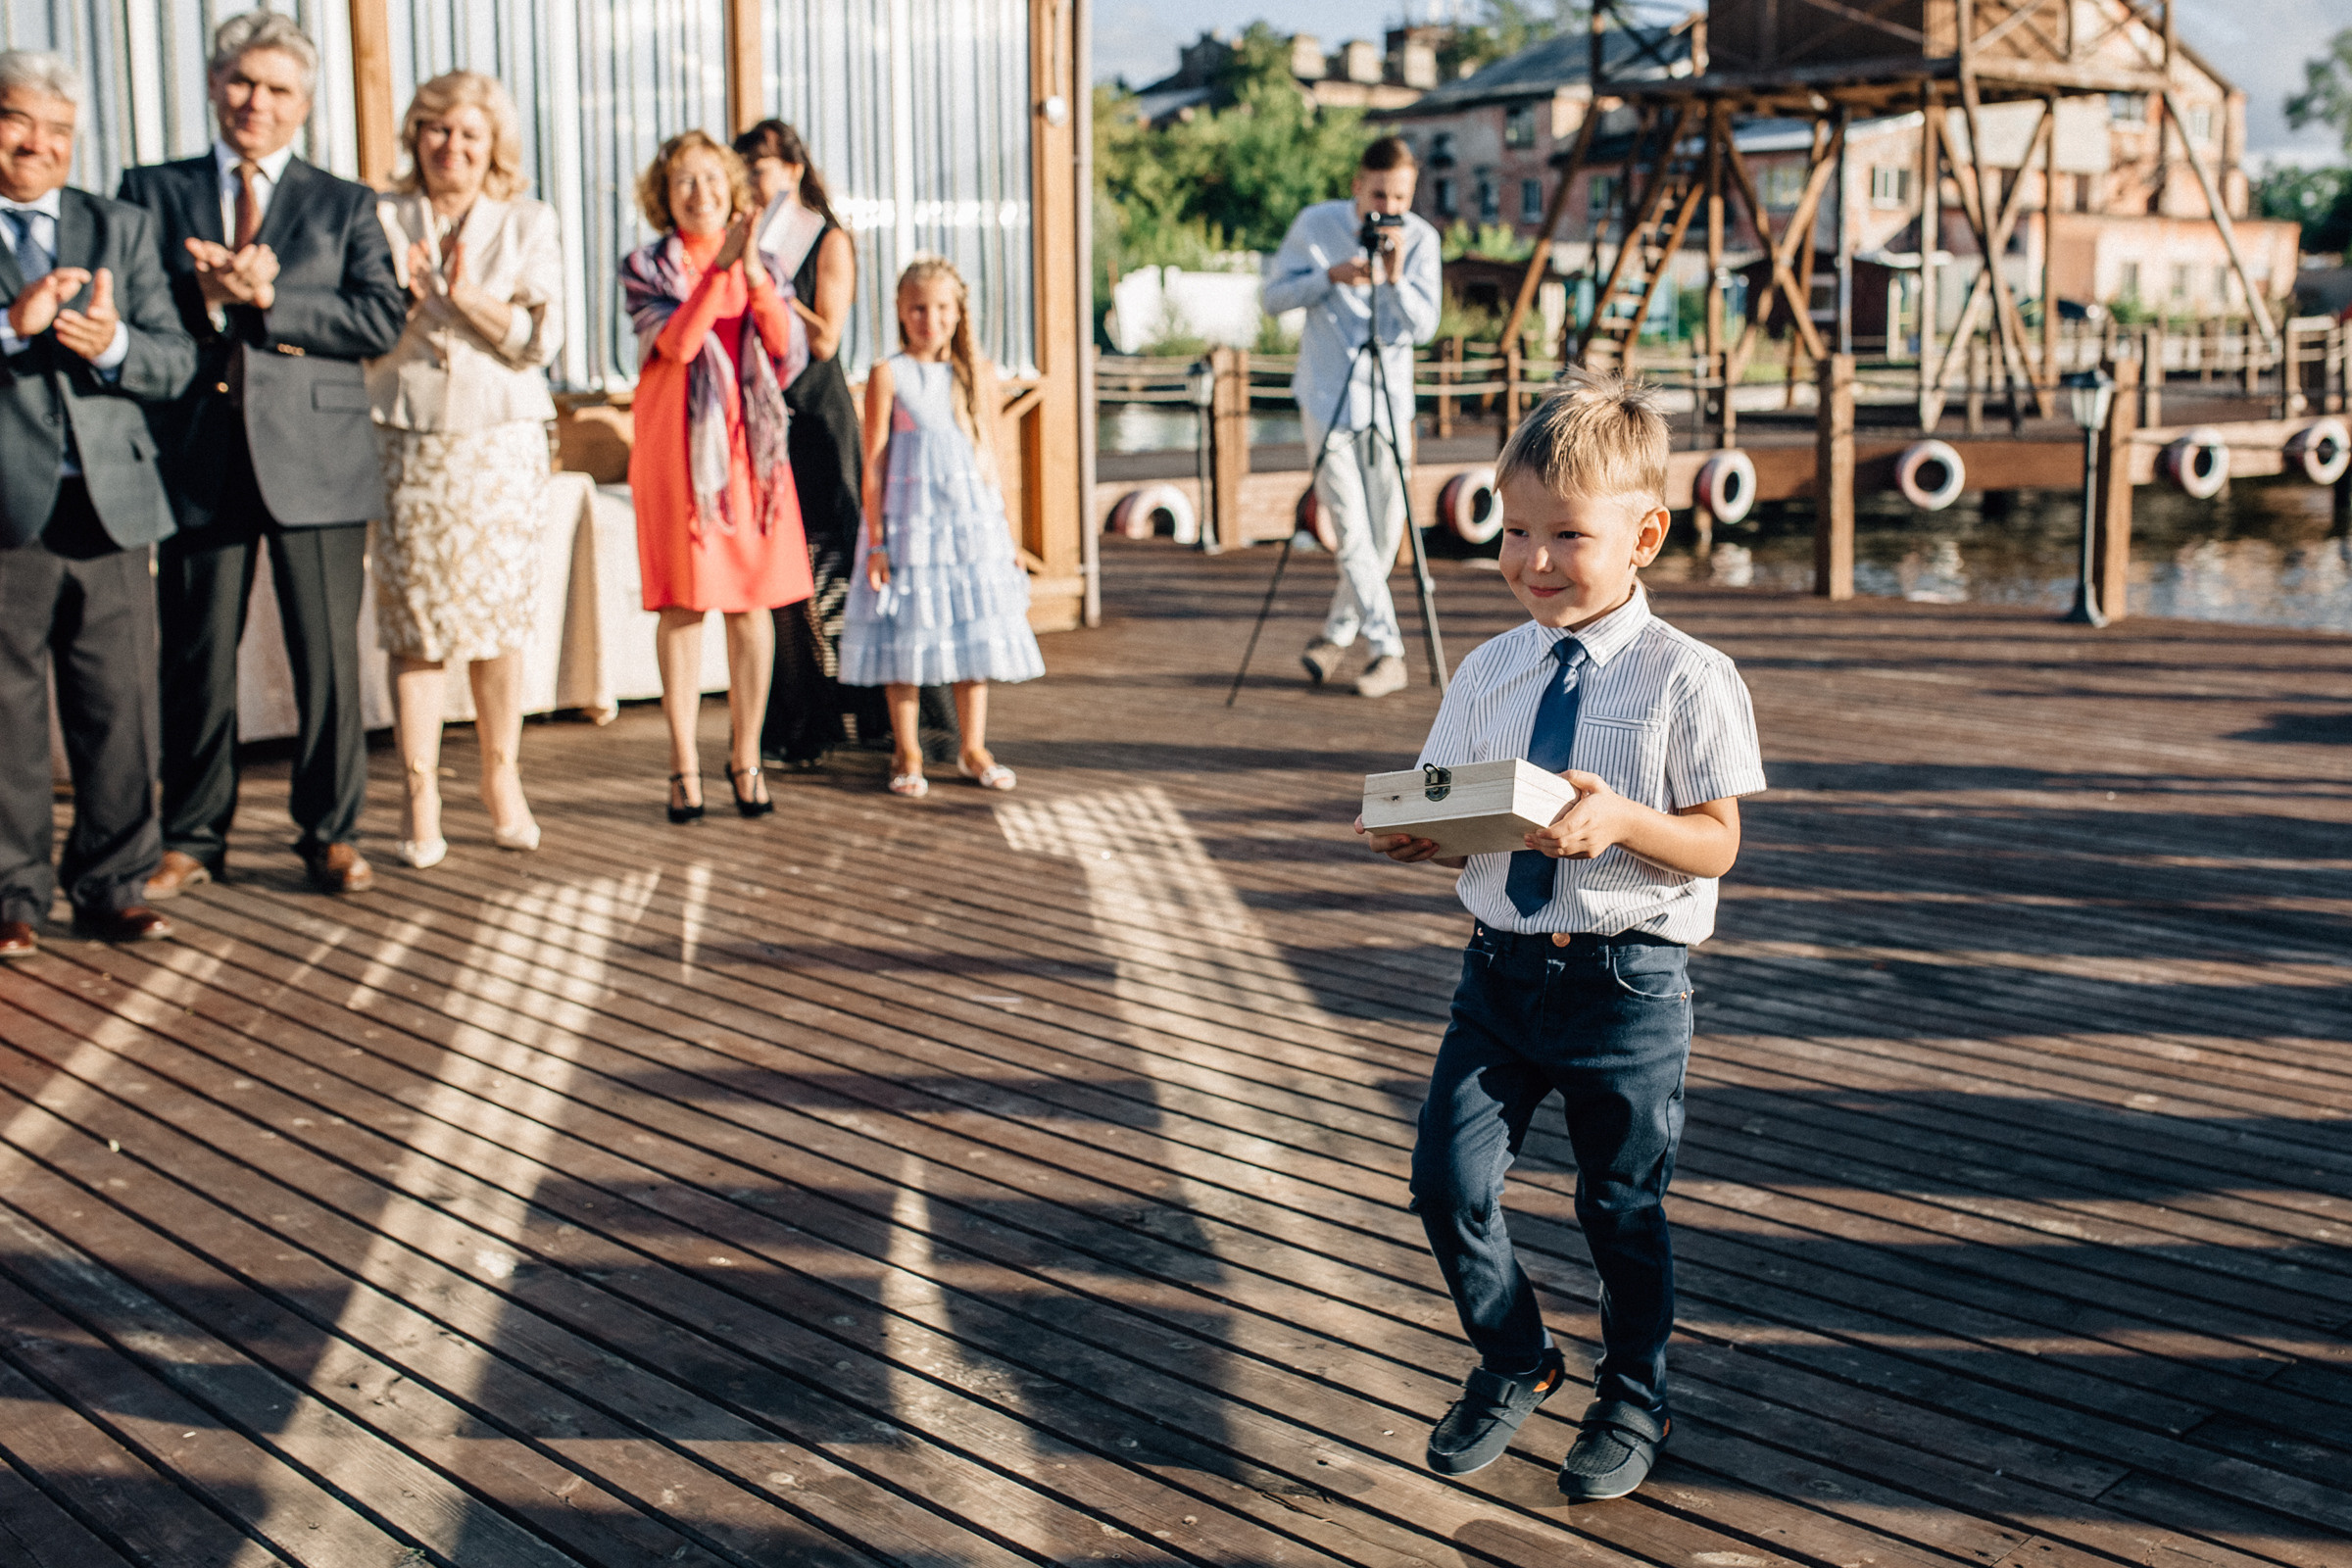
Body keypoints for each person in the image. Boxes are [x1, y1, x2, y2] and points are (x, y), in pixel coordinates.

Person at [1357, 372, 1766, 1503]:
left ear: (1645, 535)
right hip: (1495, 973)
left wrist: (1623, 819)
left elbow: (1718, 843)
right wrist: (1421, 840)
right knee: (1446, 1182)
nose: (1534, 559)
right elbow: (1464, 806)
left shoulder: (1690, 676)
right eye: (1516, 530)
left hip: (1627, 982)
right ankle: (1514, 1357)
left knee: (1618, 1203)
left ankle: (1635, 1391)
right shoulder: (1489, 669)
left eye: (1567, 535)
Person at [120, 10, 407, 898]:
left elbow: (378, 318)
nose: (257, 102)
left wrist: (271, 301)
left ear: (306, 105)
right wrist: (205, 299)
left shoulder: (345, 201)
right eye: (242, 82)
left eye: (279, 89)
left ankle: (331, 833)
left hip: (316, 459)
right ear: (214, 86)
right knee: (197, 659)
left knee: (328, 660)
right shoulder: (150, 189)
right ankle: (193, 838)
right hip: (197, 453)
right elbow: (129, 313)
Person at [0, 49, 195, 958]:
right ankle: (12, 896)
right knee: (6, 710)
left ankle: (113, 884)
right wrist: (14, 326)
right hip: (8, 513)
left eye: (59, 130)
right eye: (17, 120)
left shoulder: (118, 226)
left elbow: (176, 361)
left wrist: (114, 343)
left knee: (120, 707)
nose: (36, 143)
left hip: (112, 506)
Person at [368, 71, 564, 869]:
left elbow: (540, 336)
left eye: (470, 135)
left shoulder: (528, 220)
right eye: (438, 131)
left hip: (500, 436)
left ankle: (500, 779)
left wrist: (464, 297)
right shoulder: (380, 216)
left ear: (494, 148)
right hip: (407, 432)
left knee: (498, 620)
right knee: (415, 625)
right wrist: (411, 300)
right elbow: (356, 325)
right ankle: (420, 791)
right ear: (416, 136)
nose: (452, 147)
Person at [734, 120, 958, 771]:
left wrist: (764, 285)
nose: (752, 181)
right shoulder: (746, 237)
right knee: (784, 579)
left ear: (794, 169)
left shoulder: (825, 237)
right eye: (743, 170)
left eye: (761, 168)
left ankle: (891, 722)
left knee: (841, 571)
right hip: (764, 414)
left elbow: (827, 337)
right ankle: (801, 724)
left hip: (817, 417)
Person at [621, 130, 813, 823]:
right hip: (679, 453)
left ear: (733, 189)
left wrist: (751, 274)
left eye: (711, 179)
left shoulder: (764, 263)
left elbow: (787, 349)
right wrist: (717, 272)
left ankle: (746, 757)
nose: (699, 193)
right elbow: (674, 342)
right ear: (663, 196)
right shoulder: (646, 265)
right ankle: (681, 766)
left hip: (750, 455)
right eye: (683, 182)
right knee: (682, 605)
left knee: (752, 606)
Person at [839, 257, 1043, 798]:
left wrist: (1009, 535)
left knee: (971, 630)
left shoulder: (975, 372)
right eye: (918, 308)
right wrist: (877, 542)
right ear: (901, 313)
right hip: (909, 526)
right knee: (903, 635)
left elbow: (993, 460)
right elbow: (875, 462)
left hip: (967, 528)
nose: (930, 319)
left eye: (942, 308)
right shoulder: (889, 374)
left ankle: (972, 746)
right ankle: (907, 751)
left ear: (958, 313)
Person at [1261, 135, 1441, 699]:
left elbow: (1426, 326)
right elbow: (1271, 299)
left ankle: (1335, 635)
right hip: (1326, 396)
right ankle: (1389, 652)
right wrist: (1329, 278)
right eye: (1379, 195)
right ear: (1357, 186)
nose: (1388, 209)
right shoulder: (1315, 225)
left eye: (1401, 198)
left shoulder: (1422, 240)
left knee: (1385, 533)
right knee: (1350, 525)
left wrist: (1393, 276)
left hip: (1390, 401)